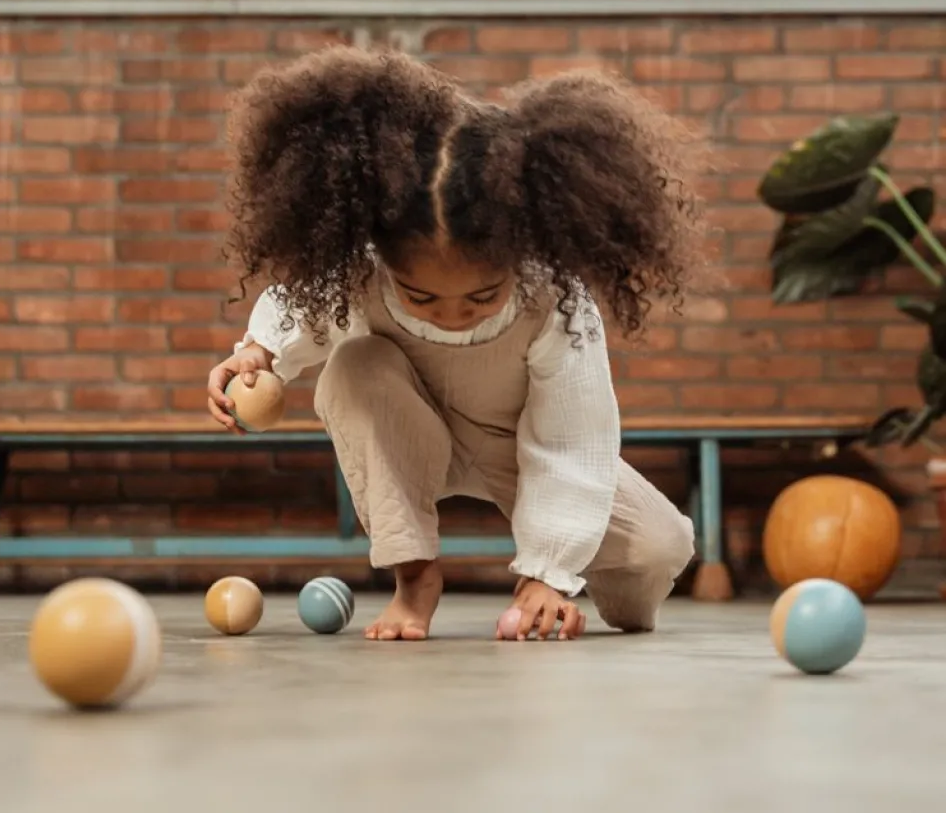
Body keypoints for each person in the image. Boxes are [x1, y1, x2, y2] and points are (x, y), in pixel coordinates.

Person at [207, 46, 706, 642]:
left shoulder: (555, 300)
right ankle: (415, 580)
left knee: (662, 544)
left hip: (516, 450)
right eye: (422, 299)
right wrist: (258, 354)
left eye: (480, 297)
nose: (450, 317)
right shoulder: (361, 271)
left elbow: (570, 443)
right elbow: (301, 309)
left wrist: (546, 574)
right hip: (408, 431)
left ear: (518, 260)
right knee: (353, 367)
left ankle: (575, 595)